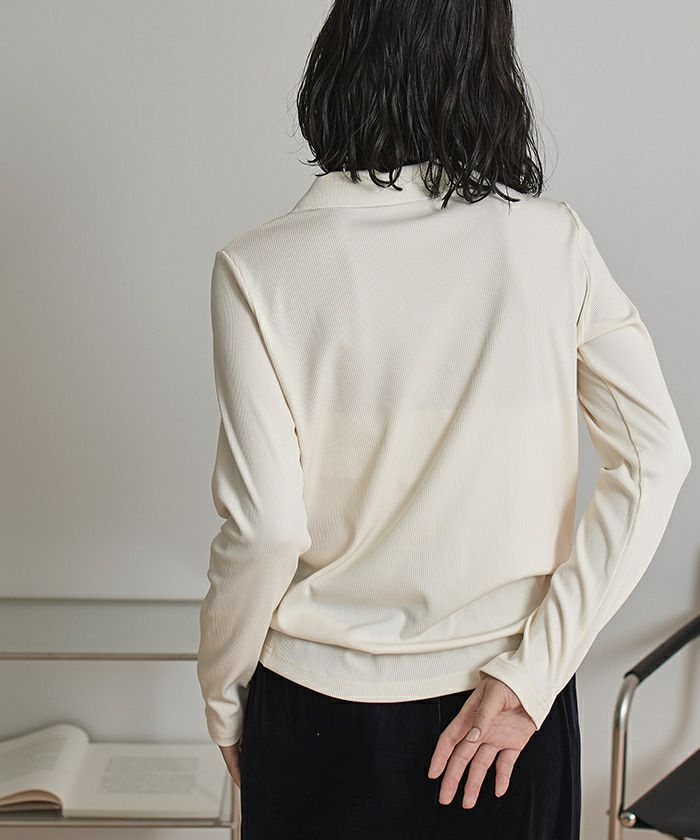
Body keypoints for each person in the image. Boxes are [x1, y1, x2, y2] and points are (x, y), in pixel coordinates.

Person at [196, 1, 692, 838]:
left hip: (317, 711)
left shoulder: (258, 269)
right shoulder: (552, 245)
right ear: (487, 66)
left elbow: (267, 529)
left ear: (342, 49)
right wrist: (534, 674)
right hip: (501, 716)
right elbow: (654, 460)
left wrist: (221, 693)